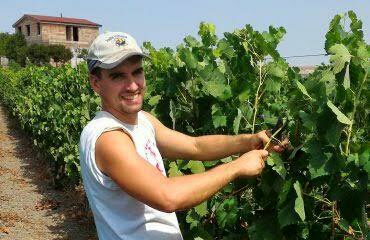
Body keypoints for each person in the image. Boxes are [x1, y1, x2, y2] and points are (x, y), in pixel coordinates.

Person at [79, 32, 287, 240]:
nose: (133, 85)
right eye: (118, 76)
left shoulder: (142, 121)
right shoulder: (108, 138)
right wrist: (236, 167)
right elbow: (167, 196)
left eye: (137, 72)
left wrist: (249, 141)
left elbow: (194, 146)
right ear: (96, 83)